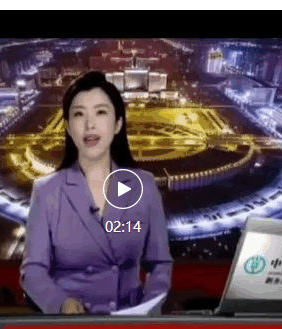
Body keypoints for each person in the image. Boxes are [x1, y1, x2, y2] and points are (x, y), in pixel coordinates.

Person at [20, 71, 173, 315]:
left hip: (130, 323)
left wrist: (148, 310)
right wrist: (61, 303)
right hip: (71, 326)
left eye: (101, 112)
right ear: (68, 127)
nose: (89, 124)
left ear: (118, 124)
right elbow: (33, 271)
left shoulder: (143, 186)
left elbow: (160, 264)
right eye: (79, 114)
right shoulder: (47, 191)